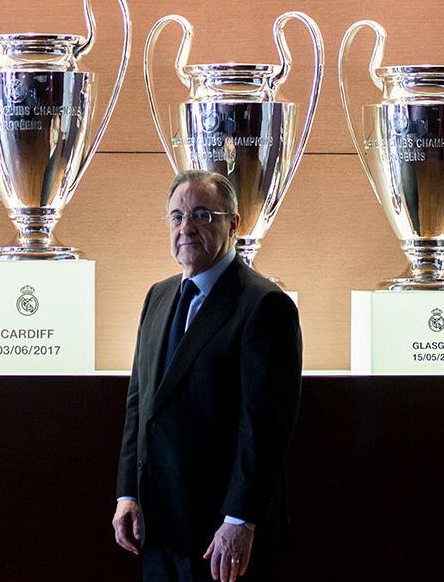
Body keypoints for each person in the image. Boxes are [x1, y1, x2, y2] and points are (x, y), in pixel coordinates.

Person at [113, 170, 303, 581]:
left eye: (202, 215)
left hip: (219, 535)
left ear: (233, 224)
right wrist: (127, 492)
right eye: (177, 216)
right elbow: (139, 403)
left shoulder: (265, 305)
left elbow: (264, 428)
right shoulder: (158, 296)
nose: (186, 228)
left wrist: (240, 519)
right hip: (156, 526)